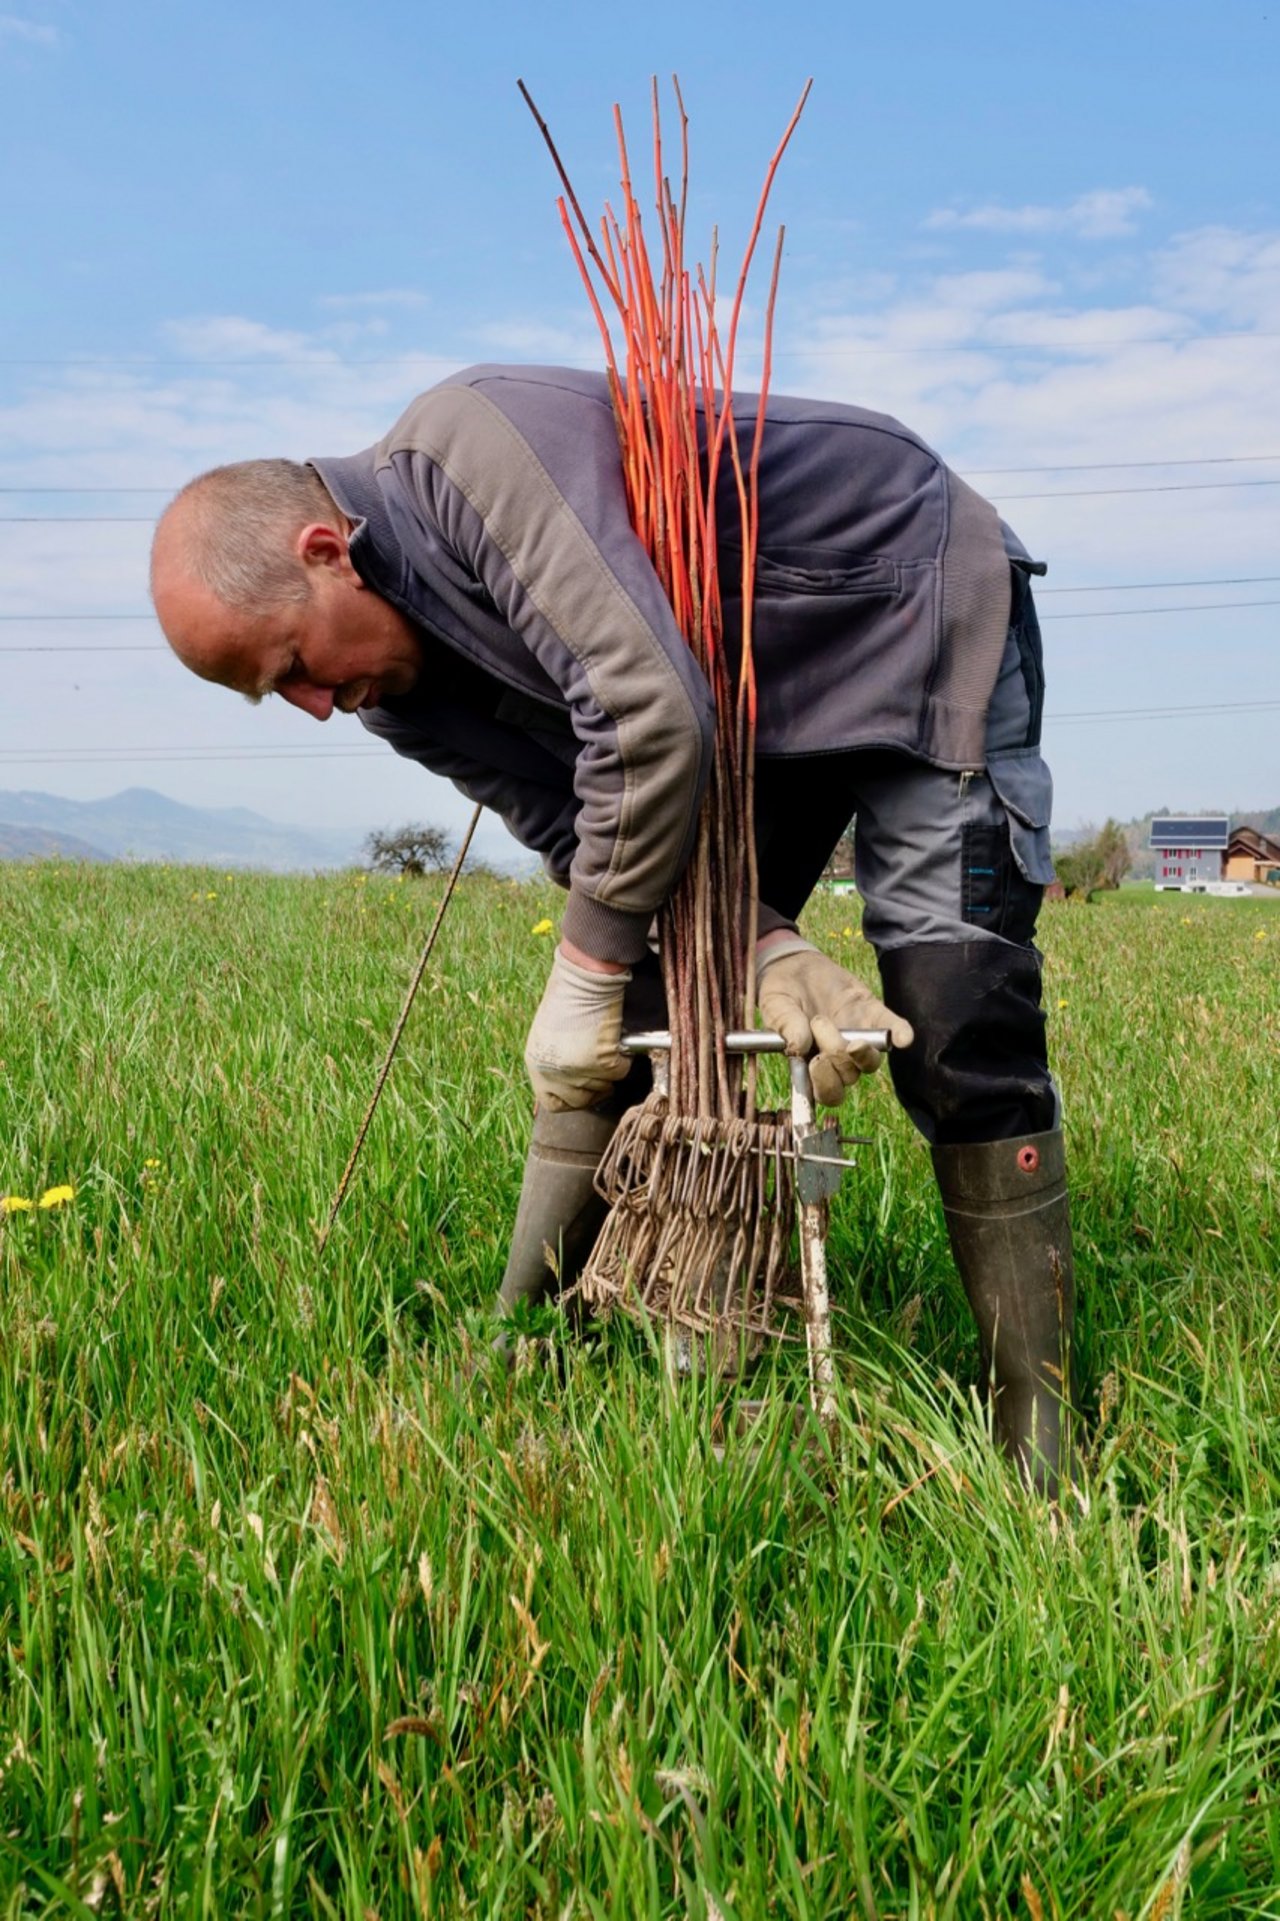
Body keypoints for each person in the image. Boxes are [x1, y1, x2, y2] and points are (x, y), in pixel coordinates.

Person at [150, 362, 1077, 1495]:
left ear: (322, 551)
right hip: (743, 700)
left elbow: (645, 717)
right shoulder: (394, 692)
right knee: (646, 1002)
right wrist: (757, 945)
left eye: (291, 665)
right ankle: (519, 1345)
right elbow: (578, 827)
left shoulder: (471, 452)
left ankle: (1037, 1436)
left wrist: (577, 971)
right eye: (272, 696)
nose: (308, 705)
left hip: (906, 602)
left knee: (952, 1014)